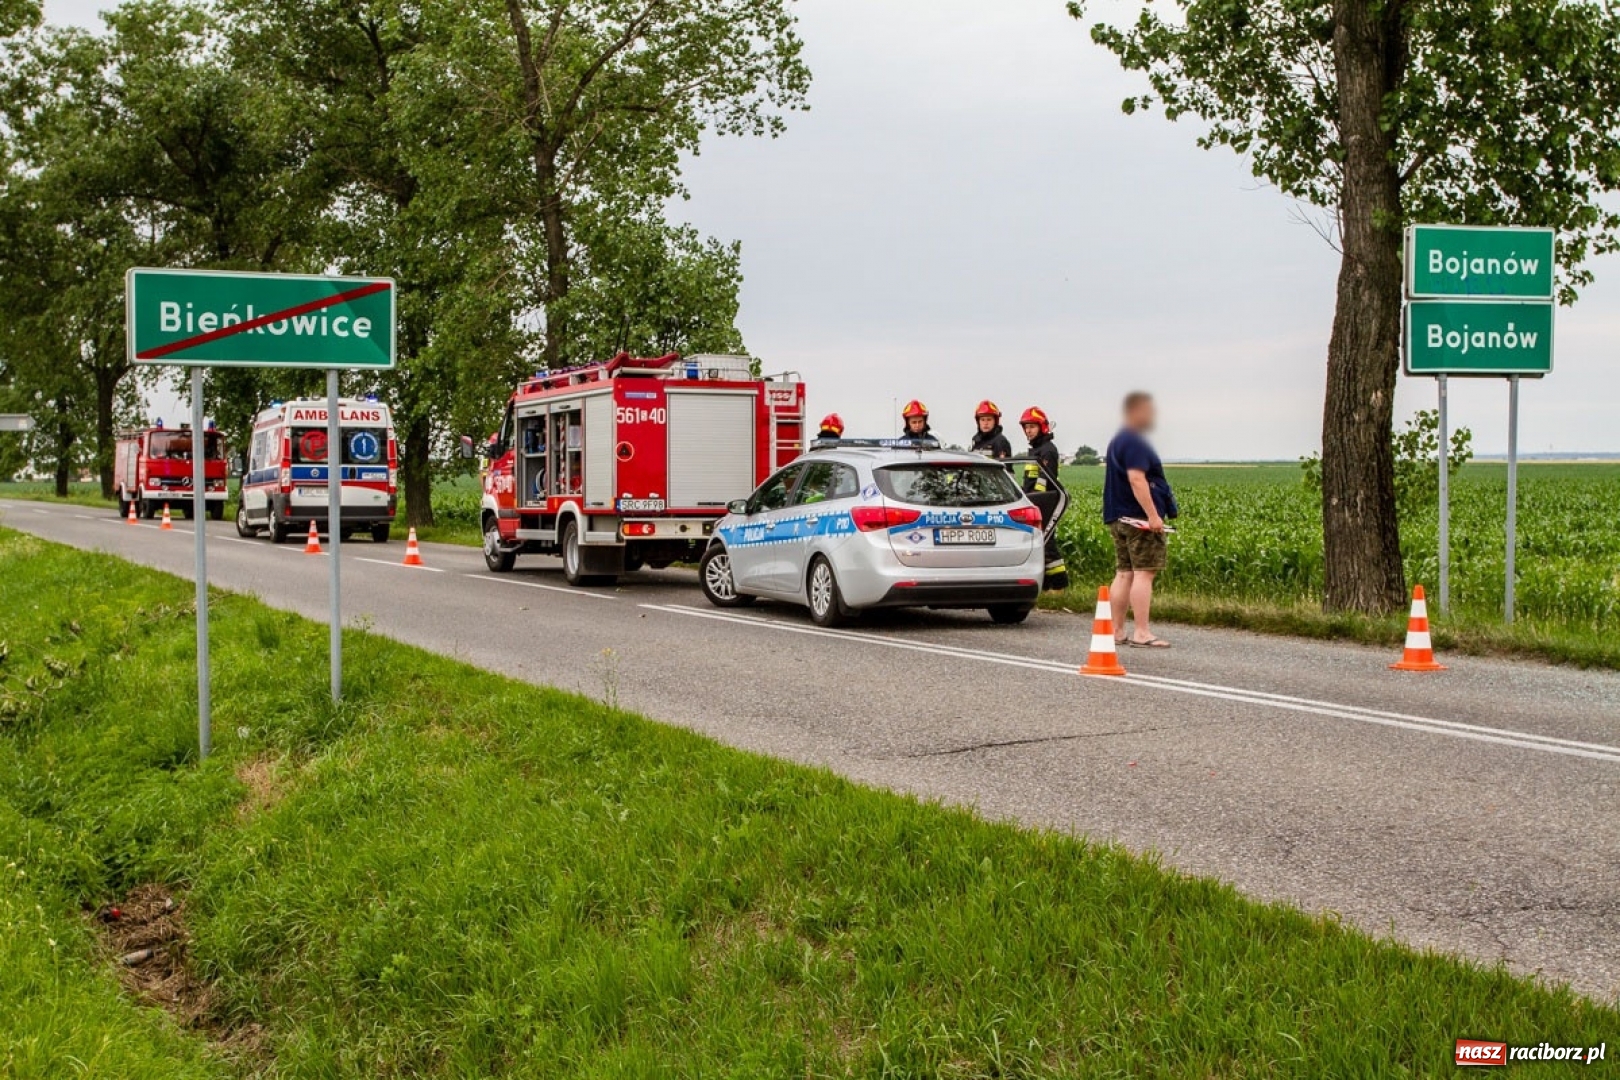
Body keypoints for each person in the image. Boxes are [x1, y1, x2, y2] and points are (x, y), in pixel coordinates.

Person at [1103, 391, 1175, 648]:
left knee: (1124, 574)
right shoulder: (1135, 442)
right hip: (1138, 519)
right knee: (1144, 573)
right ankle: (1142, 632)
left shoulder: (1117, 441)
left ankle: (1117, 630)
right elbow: (1136, 478)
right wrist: (1153, 516)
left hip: (1117, 516)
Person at [1018, 406, 1069, 591]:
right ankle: (1046, 586)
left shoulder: (1048, 451)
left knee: (1047, 542)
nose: (1028, 430)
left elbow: (1045, 481)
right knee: (1040, 544)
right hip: (1034, 500)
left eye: (1032, 426)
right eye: (1026, 427)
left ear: (1042, 427)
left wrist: (1034, 499)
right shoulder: (1036, 450)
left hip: (1044, 501)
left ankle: (1059, 585)